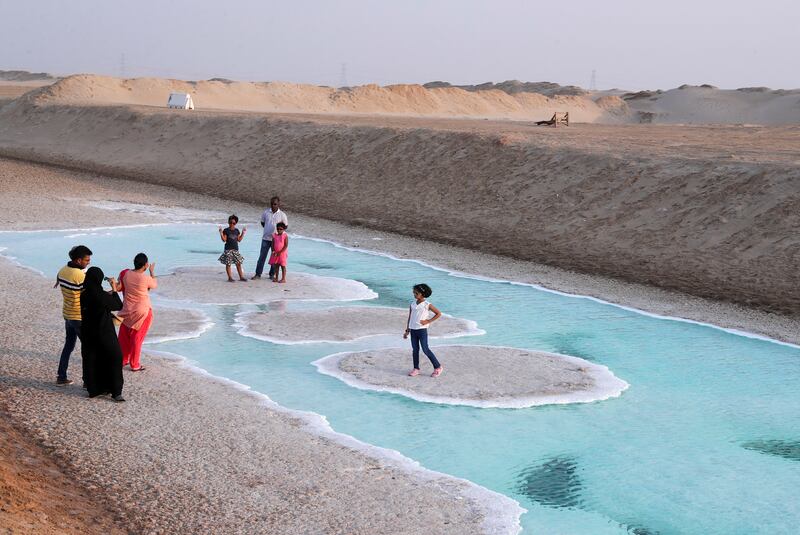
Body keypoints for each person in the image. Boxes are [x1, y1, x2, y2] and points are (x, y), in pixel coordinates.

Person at [80, 267, 125, 402]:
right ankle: (116, 392)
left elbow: (98, 300)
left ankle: (93, 389)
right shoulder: (101, 296)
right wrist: (115, 289)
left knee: (92, 359)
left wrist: (107, 294)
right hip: (104, 332)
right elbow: (118, 305)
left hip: (88, 332)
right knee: (115, 357)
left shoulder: (84, 294)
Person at [54, 245, 92, 386]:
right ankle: (87, 381)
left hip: (67, 314)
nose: (89, 262)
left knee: (68, 346)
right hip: (78, 316)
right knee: (88, 349)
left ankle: (61, 376)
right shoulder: (80, 276)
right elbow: (90, 294)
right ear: (78, 260)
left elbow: (58, 281)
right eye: (86, 260)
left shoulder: (62, 270)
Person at [117, 253, 157, 371]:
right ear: (145, 264)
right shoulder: (145, 278)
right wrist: (152, 271)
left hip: (127, 309)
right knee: (137, 338)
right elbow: (154, 284)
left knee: (123, 336)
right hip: (142, 311)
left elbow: (120, 286)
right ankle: (135, 364)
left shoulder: (125, 274)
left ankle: (123, 360)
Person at [403, 283, 443, 377]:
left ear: (422, 294)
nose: (414, 294)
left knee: (425, 349)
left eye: (416, 293)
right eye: (414, 293)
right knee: (415, 350)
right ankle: (416, 369)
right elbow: (410, 317)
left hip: (422, 330)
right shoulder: (412, 304)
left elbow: (438, 313)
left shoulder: (427, 305)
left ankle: (438, 367)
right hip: (413, 330)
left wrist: (428, 321)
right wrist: (407, 330)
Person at [253, 196, 288, 280]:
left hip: (276, 240)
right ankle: (258, 274)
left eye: (275, 204)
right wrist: (268, 230)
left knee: (275, 258)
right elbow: (262, 223)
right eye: (272, 204)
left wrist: (277, 234)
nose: (273, 205)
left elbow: (285, 226)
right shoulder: (266, 212)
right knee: (262, 257)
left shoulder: (282, 215)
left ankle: (272, 274)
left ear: (278, 204)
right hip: (266, 238)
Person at [218, 214, 248, 282]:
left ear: (236, 223)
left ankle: (241, 277)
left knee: (239, 263)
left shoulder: (237, 230)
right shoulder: (226, 230)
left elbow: (239, 240)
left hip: (235, 250)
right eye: (230, 222)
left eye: (233, 223)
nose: (232, 224)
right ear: (228, 222)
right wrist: (220, 233)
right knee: (228, 264)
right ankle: (230, 277)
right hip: (228, 250)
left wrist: (243, 233)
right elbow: (224, 240)